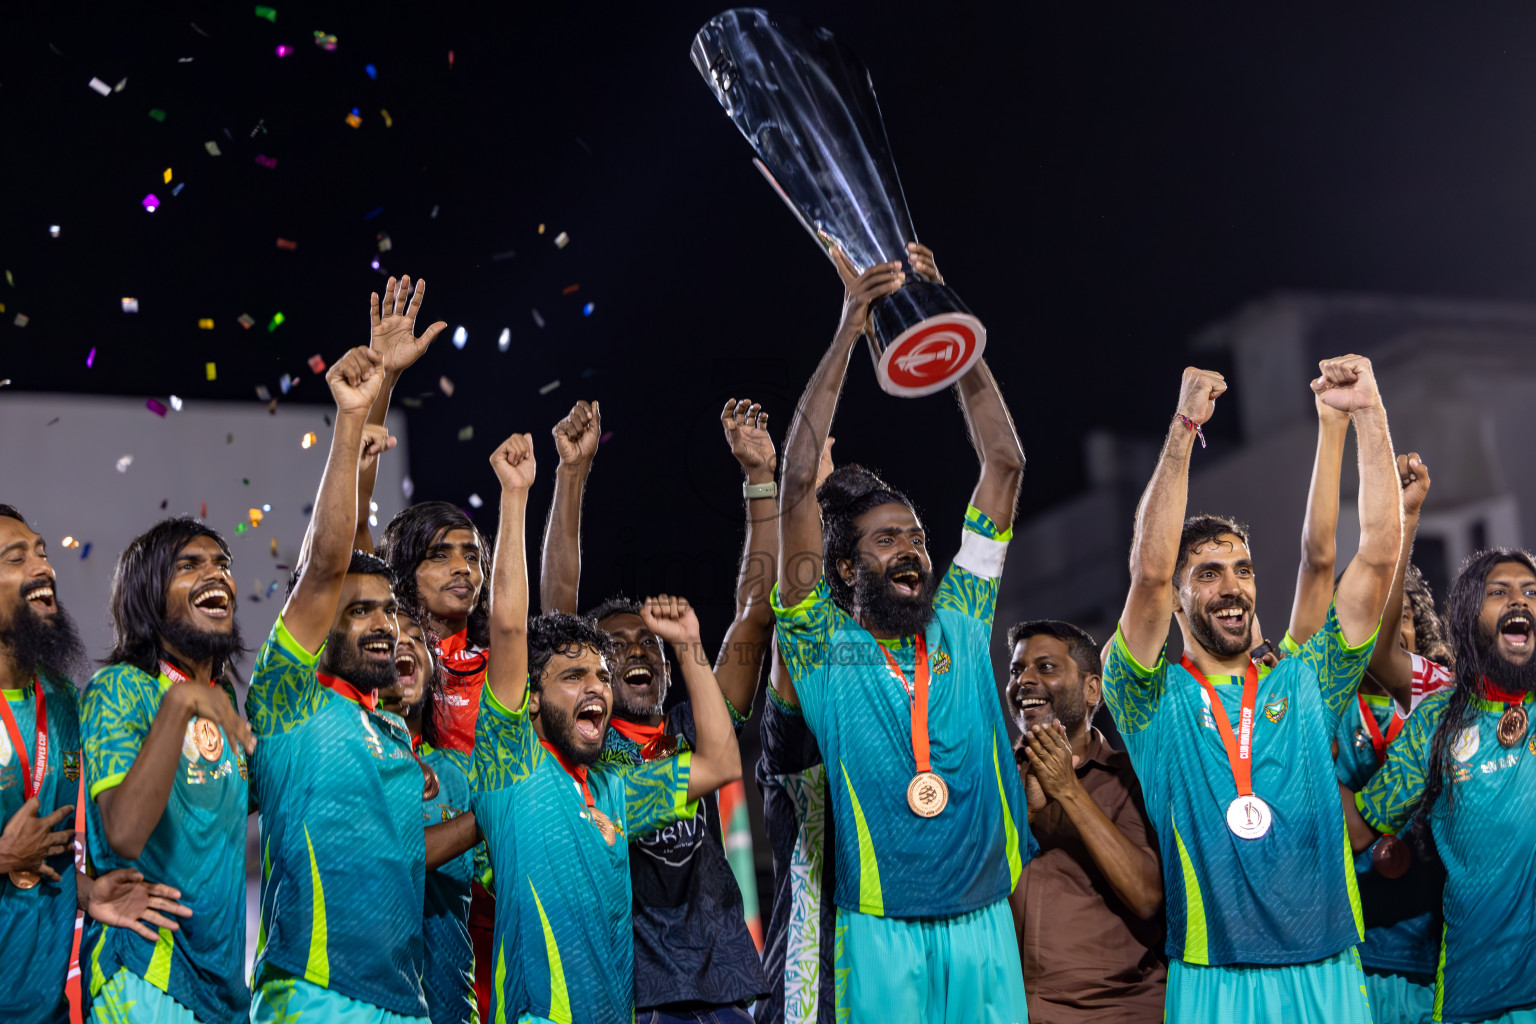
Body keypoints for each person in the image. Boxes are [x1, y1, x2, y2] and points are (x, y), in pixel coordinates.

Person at [771, 243, 1029, 1022]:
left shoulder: (961, 617)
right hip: (878, 931)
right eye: (886, 540)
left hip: (986, 919)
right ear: (844, 570)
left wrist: (954, 329)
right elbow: (794, 481)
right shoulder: (821, 650)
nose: (911, 548)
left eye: (915, 535)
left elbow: (1005, 462)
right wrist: (851, 328)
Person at [1105, 357, 1401, 1021]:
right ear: (1178, 601)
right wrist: (1184, 428)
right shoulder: (1146, 700)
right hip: (1216, 979)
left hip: (1327, 969)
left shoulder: (1308, 680)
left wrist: (1369, 412)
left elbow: (1378, 551)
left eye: (1241, 569)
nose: (1232, 585)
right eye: (1207, 574)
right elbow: (1147, 574)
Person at [471, 430, 744, 1024]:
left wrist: (692, 647)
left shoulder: (615, 793)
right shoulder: (509, 763)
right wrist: (515, 498)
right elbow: (512, 629)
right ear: (533, 702)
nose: (596, 686)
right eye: (573, 676)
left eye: (601, 675)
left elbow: (721, 763)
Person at [538, 397, 769, 1021]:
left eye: (650, 643)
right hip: (631, 995)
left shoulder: (698, 726)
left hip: (722, 991)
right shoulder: (579, 748)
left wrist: (759, 481)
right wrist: (572, 475)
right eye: (614, 644)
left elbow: (755, 609)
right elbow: (556, 616)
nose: (639, 650)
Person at [245, 344, 430, 1023]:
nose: (384, 623)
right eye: (360, 613)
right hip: (316, 995)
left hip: (406, 1003)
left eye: (389, 609)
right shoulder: (289, 699)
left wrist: (383, 392)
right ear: (318, 628)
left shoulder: (390, 726)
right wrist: (354, 417)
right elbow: (327, 564)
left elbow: (349, 556)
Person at [0, 506, 192, 1024]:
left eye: (41, 551)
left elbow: (48, 854)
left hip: (46, 1007)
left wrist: (88, 894)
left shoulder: (63, 700)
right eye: (16, 558)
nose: (44, 567)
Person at [1348, 548, 1536, 1024]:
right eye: (1499, 592)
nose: (1520, 600)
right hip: (1469, 996)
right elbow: (1358, 830)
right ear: (1470, 614)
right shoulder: (1438, 721)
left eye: (1532, 592)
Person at [82, 517, 257, 1023]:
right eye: (189, 566)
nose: (216, 574)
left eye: (222, 563)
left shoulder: (222, 701)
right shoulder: (121, 690)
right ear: (148, 597)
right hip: (143, 974)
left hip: (222, 990)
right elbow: (123, 835)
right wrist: (179, 703)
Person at [1005, 619, 1165, 1023]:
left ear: (1092, 688)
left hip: (1115, 1012)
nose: (1024, 680)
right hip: (1010, 1010)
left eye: (1045, 667)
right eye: (1016, 669)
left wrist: (1068, 791)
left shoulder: (1134, 777)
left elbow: (1147, 896)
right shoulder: (995, 780)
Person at [379, 613, 484, 1024]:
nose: (405, 643)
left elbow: (505, 873)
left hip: (454, 1009)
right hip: (375, 1005)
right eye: (391, 636)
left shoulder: (461, 775)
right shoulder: (348, 753)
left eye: (418, 638)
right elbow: (397, 857)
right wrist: (484, 820)